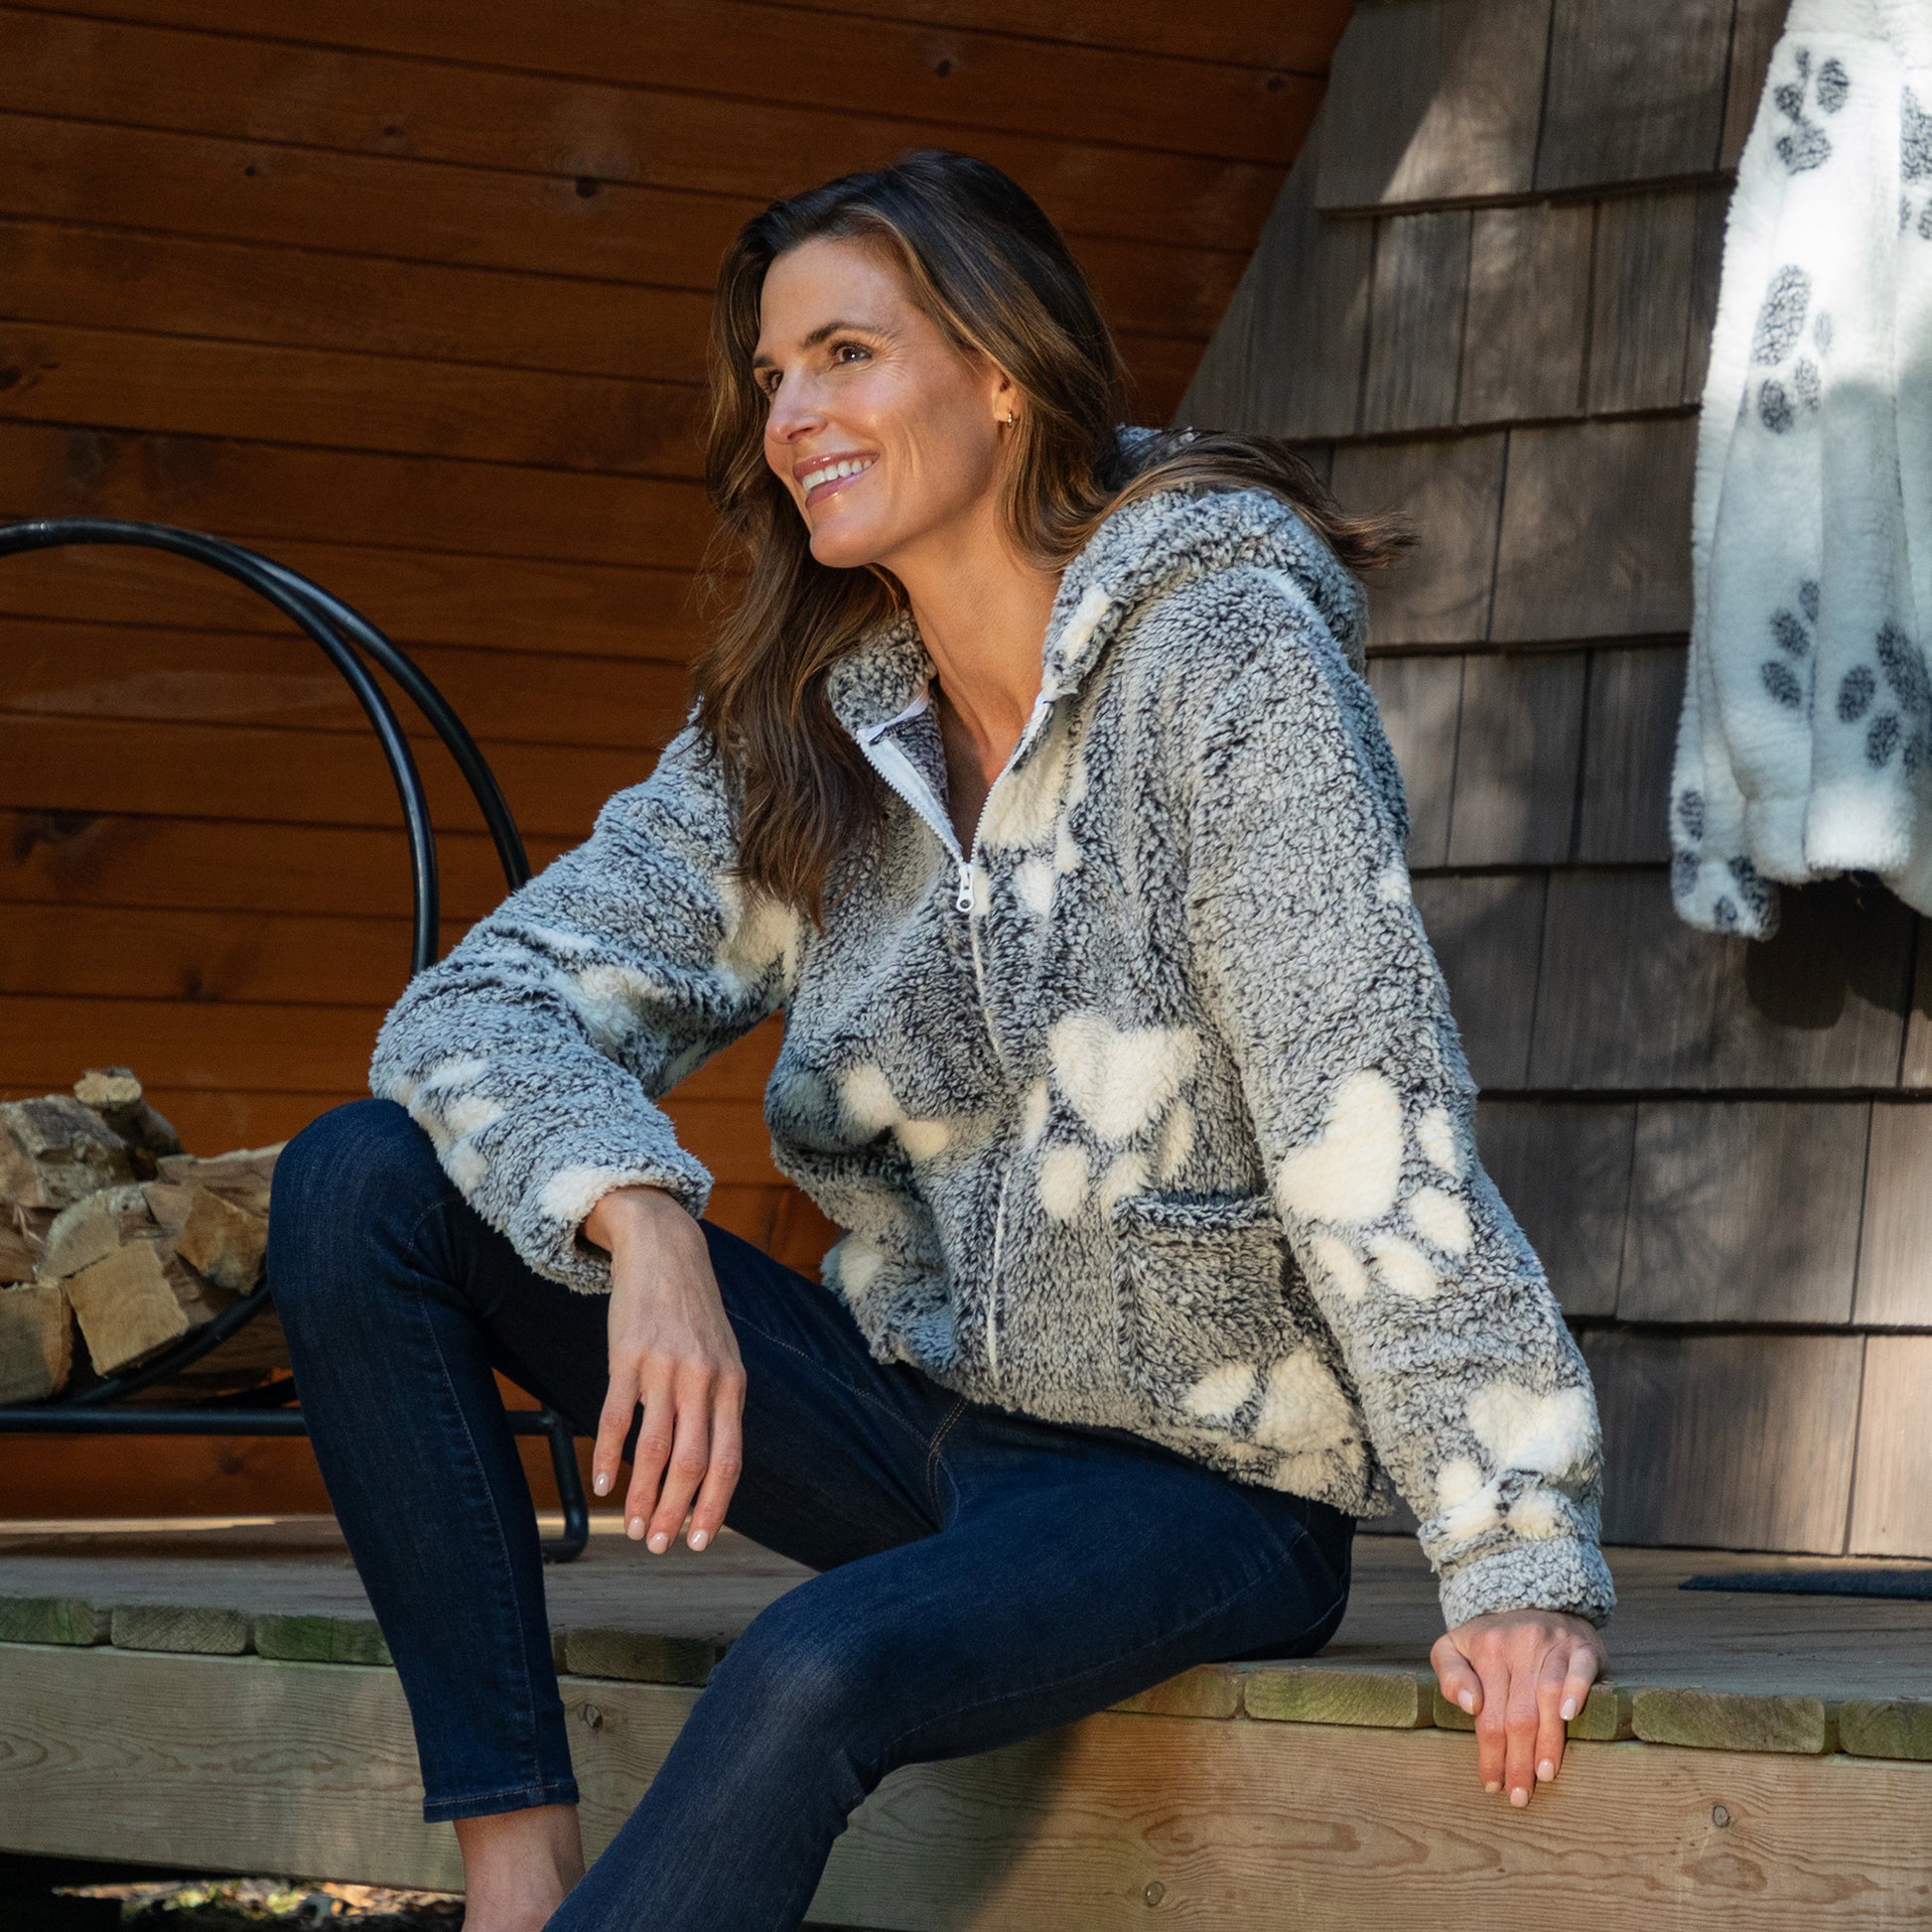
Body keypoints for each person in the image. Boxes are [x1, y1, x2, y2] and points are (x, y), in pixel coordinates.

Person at [268, 149, 1614, 1932]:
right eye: (773, 375)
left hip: (1198, 1487)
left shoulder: (1222, 662)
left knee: (804, 1669)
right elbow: (473, 1007)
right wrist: (636, 1213)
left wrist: (1517, 1549)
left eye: (845, 355)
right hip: (904, 1413)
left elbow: (1363, 1119)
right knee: (360, 1181)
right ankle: (516, 1879)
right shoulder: (815, 716)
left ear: (999, 370)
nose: (791, 417)